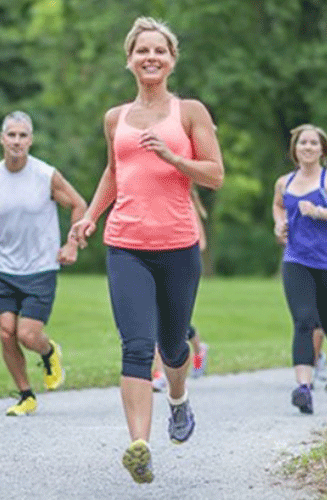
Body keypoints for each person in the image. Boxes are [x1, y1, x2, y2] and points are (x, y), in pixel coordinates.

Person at [70, 17, 223, 484]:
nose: (150, 57)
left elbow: (215, 174)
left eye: (159, 50)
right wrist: (91, 215)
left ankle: (178, 400)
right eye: (142, 51)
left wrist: (175, 159)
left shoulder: (190, 112)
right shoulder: (115, 118)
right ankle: (139, 445)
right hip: (126, 245)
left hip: (177, 246)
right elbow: (114, 174)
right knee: (136, 346)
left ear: (172, 60)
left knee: (174, 345)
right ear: (130, 60)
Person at [0, 111, 87, 416]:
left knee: (27, 335)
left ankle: (48, 352)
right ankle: (25, 395)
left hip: (40, 267)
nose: (17, 141)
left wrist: (71, 243)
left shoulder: (45, 175)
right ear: (2, 139)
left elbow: (78, 204)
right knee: (6, 332)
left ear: (31, 140)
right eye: (12, 135)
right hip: (1, 267)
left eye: (23, 135)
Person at [272, 124, 327, 415]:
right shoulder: (284, 182)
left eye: (313, 143)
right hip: (297, 259)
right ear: (295, 150)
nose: (307, 147)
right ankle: (303, 388)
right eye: (302, 143)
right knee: (304, 321)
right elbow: (279, 207)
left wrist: (320, 211)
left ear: (322, 150)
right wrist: (279, 224)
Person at [152, 188, 209, 392]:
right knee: (158, 320)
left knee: (175, 323)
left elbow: (200, 243)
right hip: (155, 265)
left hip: (180, 268)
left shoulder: (186, 207)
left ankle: (199, 349)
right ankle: (158, 374)